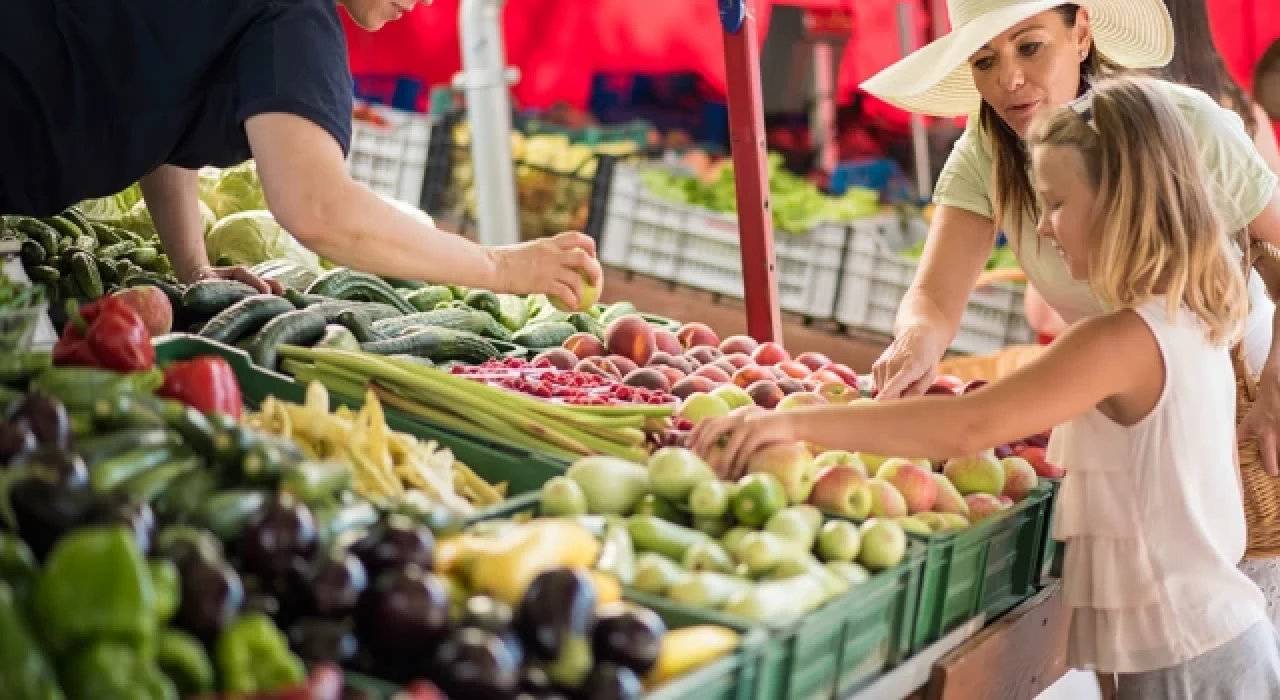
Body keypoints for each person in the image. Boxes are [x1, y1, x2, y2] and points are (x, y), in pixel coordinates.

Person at [692, 76, 1280, 699]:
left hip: (1193, 666)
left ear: (1116, 202)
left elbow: (968, 425)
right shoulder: (1187, 315)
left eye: (1056, 204)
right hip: (1202, 648)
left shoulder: (1119, 341)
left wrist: (789, 425)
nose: (1045, 232)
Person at [858, 1, 1280, 475]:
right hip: (1105, 407)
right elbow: (934, 297)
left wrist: (1276, 391)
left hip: (1241, 399)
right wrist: (917, 339)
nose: (1008, 79)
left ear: (1081, 34)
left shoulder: (1187, 126)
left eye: (1030, 47)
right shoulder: (986, 150)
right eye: (984, 61)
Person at [0, 0, 601, 307]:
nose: (423, 2)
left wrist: (193, 266)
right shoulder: (296, 18)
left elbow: (168, 105)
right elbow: (318, 209)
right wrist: (499, 268)